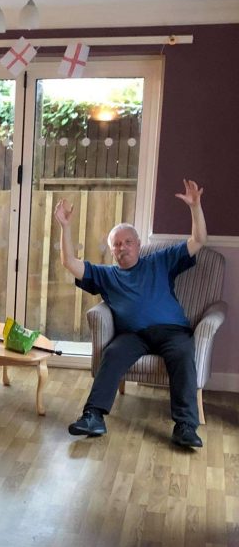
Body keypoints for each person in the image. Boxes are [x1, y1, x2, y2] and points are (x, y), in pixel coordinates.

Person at [54, 179, 208, 447]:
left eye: (127, 242)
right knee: (112, 353)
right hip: (133, 336)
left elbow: (198, 240)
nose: (122, 247)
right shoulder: (106, 275)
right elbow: (69, 262)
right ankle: (93, 416)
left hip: (172, 332)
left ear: (138, 245)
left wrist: (195, 207)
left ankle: (185, 426)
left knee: (183, 355)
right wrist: (65, 227)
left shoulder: (160, 260)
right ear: (112, 251)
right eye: (116, 244)